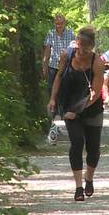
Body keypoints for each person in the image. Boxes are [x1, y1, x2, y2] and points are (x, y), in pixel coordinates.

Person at [48, 27, 105, 201]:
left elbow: (95, 93)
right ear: (77, 43)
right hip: (69, 105)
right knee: (77, 142)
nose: (83, 51)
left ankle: (89, 178)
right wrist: (53, 99)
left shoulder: (97, 62)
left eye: (87, 48)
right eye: (81, 46)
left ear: (92, 46)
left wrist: (77, 110)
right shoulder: (68, 55)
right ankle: (79, 187)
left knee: (93, 149)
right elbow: (58, 76)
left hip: (91, 108)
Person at [42, 14, 76, 144]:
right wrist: (44, 66)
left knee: (66, 94)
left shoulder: (70, 34)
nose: (58, 25)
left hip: (67, 67)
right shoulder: (50, 34)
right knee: (52, 94)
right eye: (56, 23)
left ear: (64, 23)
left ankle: (66, 122)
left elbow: (74, 51)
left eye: (61, 23)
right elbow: (47, 51)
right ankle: (53, 125)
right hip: (53, 67)